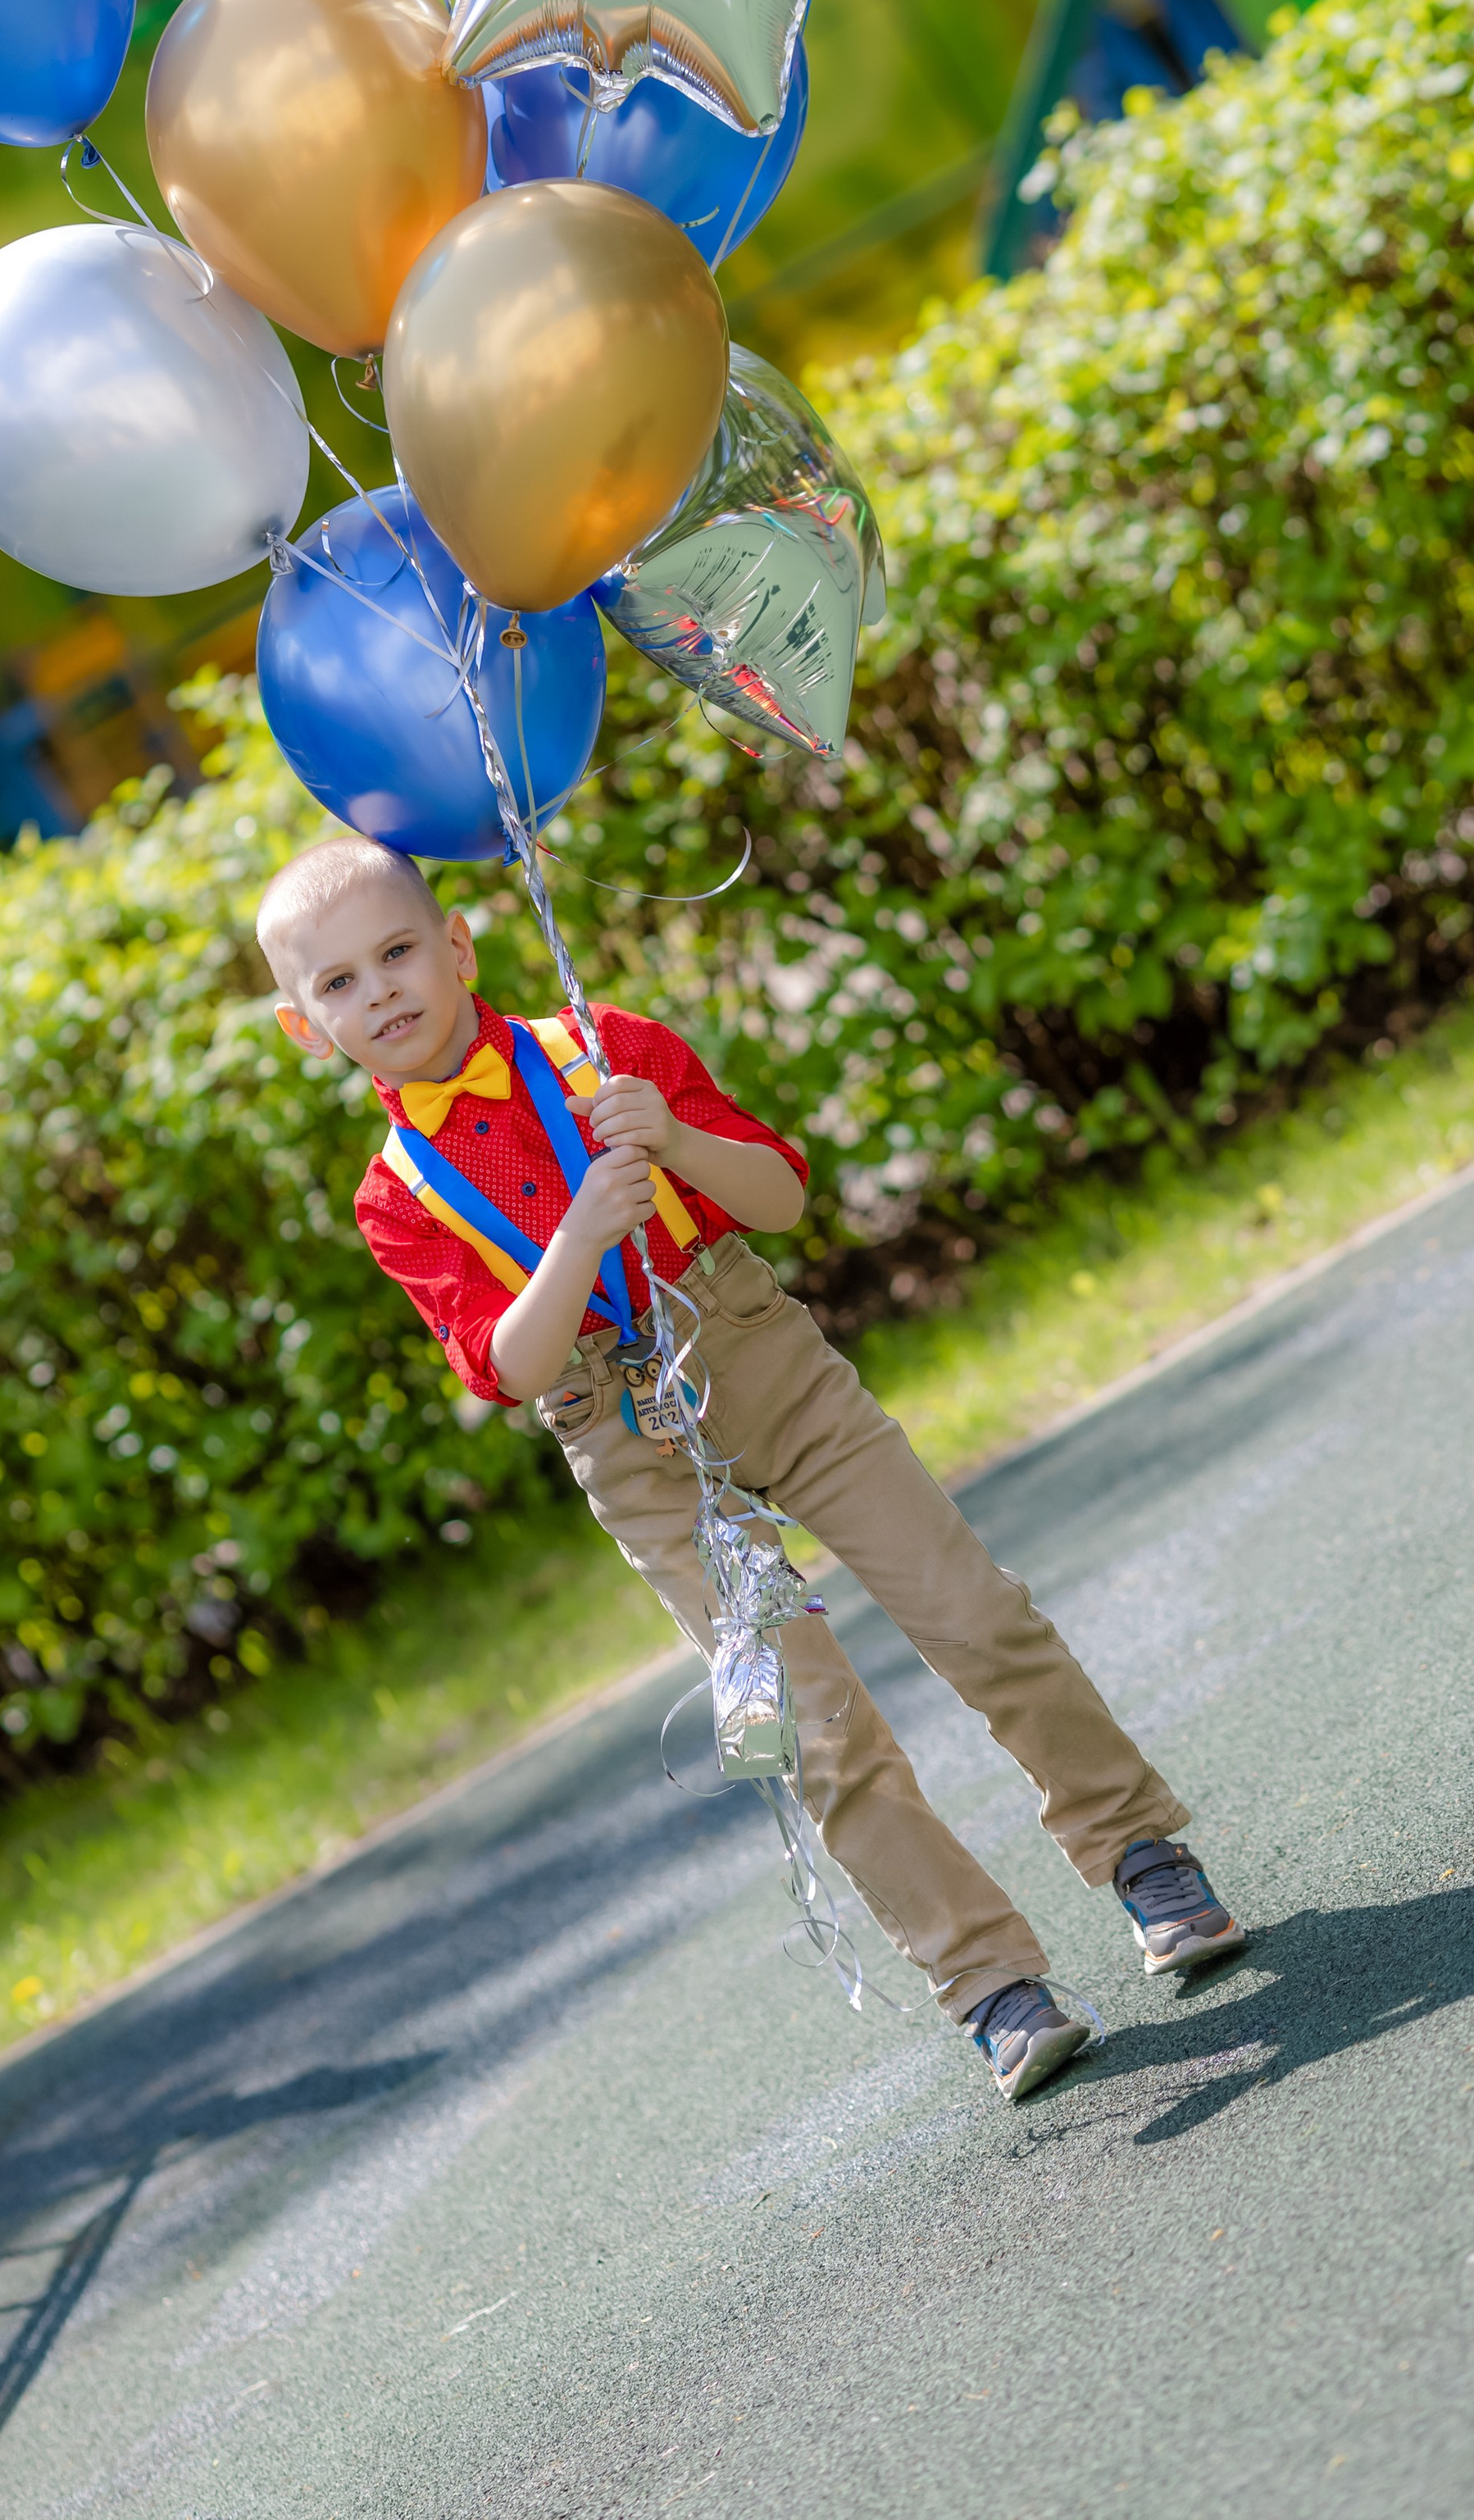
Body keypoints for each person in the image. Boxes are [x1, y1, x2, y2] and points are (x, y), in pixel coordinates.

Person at [258, 834, 1249, 2101]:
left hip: (750, 1348)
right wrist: (576, 1238)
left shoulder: (601, 1044)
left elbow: (779, 1195)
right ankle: (991, 1984)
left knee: (970, 1608)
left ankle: (1138, 1852)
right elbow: (505, 1366)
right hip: (628, 1442)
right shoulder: (396, 1195)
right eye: (339, 984)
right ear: (305, 1028)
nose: (381, 991)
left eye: (400, 951)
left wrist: (666, 1137)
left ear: (459, 946)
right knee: (814, 1729)